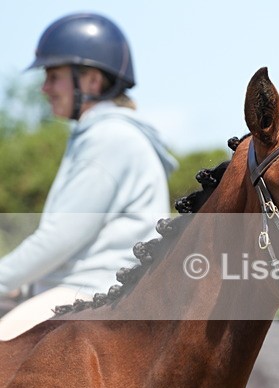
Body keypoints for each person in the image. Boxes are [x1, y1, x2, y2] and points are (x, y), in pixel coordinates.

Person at [0, 12, 176, 340]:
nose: (45, 87)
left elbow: (62, 236)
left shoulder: (108, 138)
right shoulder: (102, 134)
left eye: (54, 76)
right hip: (90, 287)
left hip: (90, 291)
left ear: (92, 81)